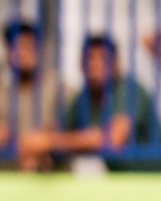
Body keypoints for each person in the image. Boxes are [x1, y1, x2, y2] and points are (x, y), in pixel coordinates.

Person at [18, 34, 158, 170]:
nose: (95, 65)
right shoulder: (82, 98)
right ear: (80, 64)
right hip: (123, 183)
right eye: (90, 58)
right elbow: (58, 130)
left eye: (104, 59)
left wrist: (50, 142)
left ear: (117, 64)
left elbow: (114, 139)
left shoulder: (129, 89)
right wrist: (38, 145)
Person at [0, 20, 63, 170]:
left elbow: (65, 134)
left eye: (28, 46)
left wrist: (46, 142)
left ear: (39, 51)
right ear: (8, 53)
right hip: (10, 178)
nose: (23, 53)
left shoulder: (56, 88)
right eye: (17, 47)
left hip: (49, 177)